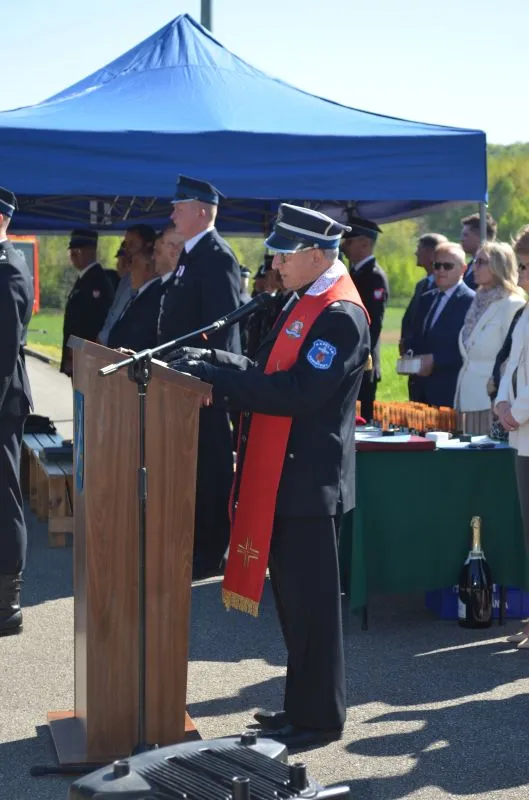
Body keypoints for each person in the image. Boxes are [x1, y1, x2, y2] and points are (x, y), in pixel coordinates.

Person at [168, 204, 370, 749]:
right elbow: (266, 373)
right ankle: (300, 708)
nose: (275, 263)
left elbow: (301, 393)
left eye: (284, 254)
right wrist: (209, 363)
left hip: (309, 483)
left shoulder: (339, 314)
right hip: (285, 477)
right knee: (294, 609)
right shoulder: (303, 301)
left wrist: (217, 383)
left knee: (313, 612)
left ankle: (320, 718)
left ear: (316, 254)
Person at [159, 175, 241, 579]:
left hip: (203, 384)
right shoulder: (192, 255)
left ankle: (210, 551)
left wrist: (208, 380)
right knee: (191, 467)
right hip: (183, 380)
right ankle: (193, 544)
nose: (173, 212)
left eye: (181, 206)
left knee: (209, 466)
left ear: (203, 212)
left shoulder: (217, 256)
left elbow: (221, 327)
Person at [0, 187, 33, 635]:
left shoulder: (8, 268)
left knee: (4, 498)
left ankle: (8, 601)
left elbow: (4, 355)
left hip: (3, 402)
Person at [494, 247, 529, 648]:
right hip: (522, 434)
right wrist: (503, 400)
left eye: (526, 265)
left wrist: (516, 411)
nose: (519, 272)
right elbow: (512, 364)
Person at [455, 242, 525, 434]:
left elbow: (511, 358)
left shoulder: (512, 304)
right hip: (466, 399)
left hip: (492, 403)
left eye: (481, 262)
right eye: (474, 261)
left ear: (498, 266)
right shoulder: (476, 302)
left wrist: (500, 397)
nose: (474, 267)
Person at [409, 242, 474, 407]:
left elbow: (471, 348)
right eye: (437, 266)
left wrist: (436, 360)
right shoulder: (427, 298)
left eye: (447, 266)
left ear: (463, 269)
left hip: (449, 390)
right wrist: (409, 352)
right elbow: (418, 336)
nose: (441, 271)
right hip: (420, 389)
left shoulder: (471, 302)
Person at [341, 215, 389, 421]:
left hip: (361, 360)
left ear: (365, 243)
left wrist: (357, 354)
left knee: (361, 421)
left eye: (348, 242)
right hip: (350, 358)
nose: (343, 247)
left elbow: (373, 323)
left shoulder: (373, 276)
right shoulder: (354, 273)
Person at [400, 233, 448, 401]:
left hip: (435, 374)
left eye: (419, 249)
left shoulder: (443, 289)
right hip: (416, 368)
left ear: (431, 253)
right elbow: (411, 320)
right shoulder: (422, 285)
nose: (415, 253)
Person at [61, 229, 115, 376]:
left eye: (78, 251)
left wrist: (75, 350)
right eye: (72, 251)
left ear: (91, 251)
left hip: (88, 358)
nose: (73, 255)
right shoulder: (84, 278)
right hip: (79, 356)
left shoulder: (97, 280)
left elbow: (92, 324)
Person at [107, 245, 162, 352]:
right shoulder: (140, 295)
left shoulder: (153, 297)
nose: (129, 269)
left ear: (147, 267)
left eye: (134, 264)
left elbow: (141, 336)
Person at [460, 211, 497, 290]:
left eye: (466, 235)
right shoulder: (470, 265)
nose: (462, 239)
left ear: (481, 237)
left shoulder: (493, 266)